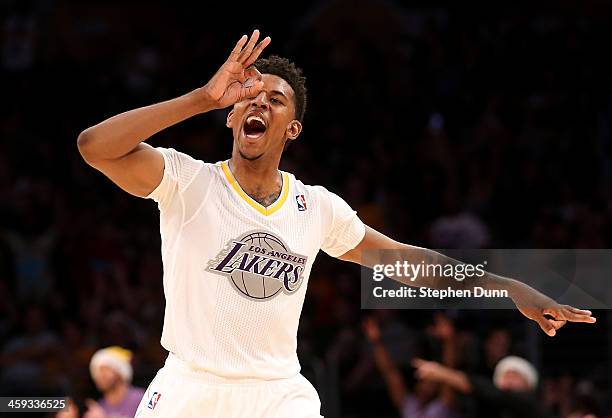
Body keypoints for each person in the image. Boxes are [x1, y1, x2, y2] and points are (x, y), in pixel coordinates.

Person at [76, 29, 596, 417]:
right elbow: (94, 147)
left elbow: (406, 261)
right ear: (232, 117)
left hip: (277, 394)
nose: (258, 103)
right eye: (247, 99)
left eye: (274, 100)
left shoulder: (316, 207)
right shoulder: (189, 181)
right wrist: (202, 99)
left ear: (292, 128)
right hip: (190, 387)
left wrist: (507, 287)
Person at [363, 316, 456, 418]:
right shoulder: (409, 405)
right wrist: (376, 342)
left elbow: (449, 368)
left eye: (431, 381)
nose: (426, 384)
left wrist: (449, 342)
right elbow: (389, 373)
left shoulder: (442, 405)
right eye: (424, 380)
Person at [413, 355, 550, 418]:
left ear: (529, 385)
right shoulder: (489, 408)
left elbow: (490, 392)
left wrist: (442, 373)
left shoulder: (530, 405)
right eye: (504, 376)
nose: (508, 381)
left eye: (514, 376)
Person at [56, 346, 144, 418]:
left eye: (104, 369)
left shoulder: (141, 398)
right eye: (96, 371)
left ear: (119, 372)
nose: (99, 375)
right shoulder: (98, 407)